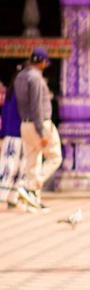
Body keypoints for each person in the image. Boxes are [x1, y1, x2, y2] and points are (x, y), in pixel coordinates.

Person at [15, 47, 62, 210]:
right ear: (42, 61)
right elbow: (36, 106)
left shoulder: (20, 76)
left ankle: (32, 201)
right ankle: (30, 187)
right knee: (55, 156)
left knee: (32, 162)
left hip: (25, 124)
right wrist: (42, 132)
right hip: (39, 123)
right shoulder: (35, 78)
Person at [0, 63, 25, 209]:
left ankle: (11, 197)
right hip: (17, 134)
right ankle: (8, 196)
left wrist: (3, 134)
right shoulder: (18, 94)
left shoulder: (10, 93)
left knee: (11, 165)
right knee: (11, 166)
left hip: (10, 134)